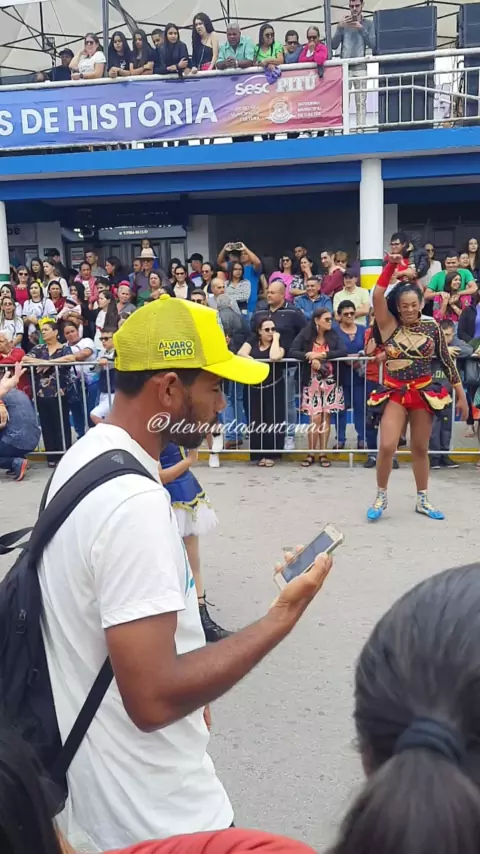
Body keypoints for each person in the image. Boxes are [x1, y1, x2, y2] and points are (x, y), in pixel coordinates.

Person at [37, 292, 333, 850]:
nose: (222, 405)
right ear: (170, 388)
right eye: (215, 387)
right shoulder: (134, 505)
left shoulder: (84, 458)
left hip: (99, 801)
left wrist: (194, 687)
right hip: (159, 817)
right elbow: (153, 698)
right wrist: (281, 617)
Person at [366, 257, 468, 522]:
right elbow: (377, 294)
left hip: (423, 393)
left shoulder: (432, 326)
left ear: (422, 303)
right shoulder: (388, 325)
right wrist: (390, 266)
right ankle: (381, 495)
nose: (410, 310)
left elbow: (446, 360)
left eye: (414, 305)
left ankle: (422, 498)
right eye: (404, 306)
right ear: (398, 307)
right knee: (387, 445)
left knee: (420, 448)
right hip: (395, 393)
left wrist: (461, 395)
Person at [159, 445, 231, 639]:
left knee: (193, 561)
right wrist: (190, 460)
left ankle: (201, 616)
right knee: (164, 563)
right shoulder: (151, 431)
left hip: (185, 490)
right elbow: (160, 476)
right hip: (163, 496)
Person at [290, 307, 346, 467]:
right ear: (316, 320)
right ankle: (311, 452)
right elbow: (292, 351)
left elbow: (342, 351)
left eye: (331, 319)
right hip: (312, 382)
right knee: (314, 418)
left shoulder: (333, 334)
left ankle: (323, 453)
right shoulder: (305, 335)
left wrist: (322, 355)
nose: (330, 322)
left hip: (330, 382)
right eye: (326, 319)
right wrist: (309, 358)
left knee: (326, 417)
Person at [23, 321, 72, 467]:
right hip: (41, 393)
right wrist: (44, 362)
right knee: (46, 424)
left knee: (61, 423)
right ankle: (51, 456)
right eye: (42, 330)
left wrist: (49, 363)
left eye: (46, 329)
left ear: (55, 332)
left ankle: (65, 455)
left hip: (59, 392)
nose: (43, 332)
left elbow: (70, 358)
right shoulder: (39, 348)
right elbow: (25, 358)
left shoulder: (64, 348)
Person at [238, 315, 286, 466]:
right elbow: (241, 353)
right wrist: (252, 361)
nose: (271, 332)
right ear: (259, 331)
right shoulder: (253, 341)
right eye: (267, 329)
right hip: (255, 387)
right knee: (256, 420)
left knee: (273, 419)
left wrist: (276, 339)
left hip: (274, 387)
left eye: (273, 329)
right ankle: (258, 454)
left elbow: (274, 356)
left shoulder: (279, 343)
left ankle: (271, 455)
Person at [428, 319, 472, 470]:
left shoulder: (456, 342)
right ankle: (434, 456)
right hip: (433, 389)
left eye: (448, 335)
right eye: (443, 335)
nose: (446, 338)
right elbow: (423, 351)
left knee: (446, 424)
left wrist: (450, 347)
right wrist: (444, 350)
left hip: (449, 389)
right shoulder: (432, 342)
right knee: (434, 425)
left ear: (453, 334)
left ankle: (444, 454)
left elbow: (468, 350)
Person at [331, 0, 376, 128]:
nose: (354, 9)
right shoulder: (344, 23)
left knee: (361, 101)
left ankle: (360, 131)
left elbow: (373, 45)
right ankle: (344, 131)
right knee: (343, 102)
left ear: (362, 5)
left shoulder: (368, 24)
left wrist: (361, 29)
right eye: (351, 6)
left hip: (360, 67)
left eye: (357, 6)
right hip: (345, 68)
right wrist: (339, 28)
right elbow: (333, 45)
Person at [334, 299, 366, 450]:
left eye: (352, 313)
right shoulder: (333, 331)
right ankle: (340, 439)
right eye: (346, 313)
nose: (349, 316)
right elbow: (331, 349)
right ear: (339, 315)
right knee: (340, 409)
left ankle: (362, 438)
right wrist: (344, 358)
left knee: (361, 408)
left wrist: (360, 358)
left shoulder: (363, 330)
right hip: (340, 375)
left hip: (360, 376)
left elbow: (369, 348)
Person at [0, 362, 39, 481]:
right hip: (33, 439)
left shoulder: (3, 397)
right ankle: (17, 460)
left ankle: (15, 462)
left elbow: (2, 423)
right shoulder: (19, 393)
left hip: (16, 440)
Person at [62, 321, 96, 439]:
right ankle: (81, 435)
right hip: (72, 383)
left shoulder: (87, 341)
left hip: (90, 382)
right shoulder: (63, 346)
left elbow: (84, 354)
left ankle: (93, 436)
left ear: (78, 331)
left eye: (72, 331)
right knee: (76, 410)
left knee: (91, 409)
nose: (70, 334)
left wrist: (67, 357)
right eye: (67, 333)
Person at [217, 243, 262, 314]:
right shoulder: (234, 267)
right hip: (232, 309)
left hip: (250, 307)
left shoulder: (253, 269)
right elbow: (220, 262)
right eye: (241, 254)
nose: (243, 255)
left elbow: (257, 262)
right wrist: (224, 249)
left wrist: (245, 248)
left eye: (245, 254)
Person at [90, 326, 116, 423]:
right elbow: (93, 368)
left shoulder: (119, 352)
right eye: (101, 339)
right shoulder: (102, 352)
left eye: (106, 338)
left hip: (115, 393)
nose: (103, 341)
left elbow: (113, 362)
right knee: (108, 419)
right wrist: (101, 362)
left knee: (95, 415)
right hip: (103, 392)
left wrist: (105, 361)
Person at [22, 282, 57, 346]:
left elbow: (54, 318)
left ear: (40, 289)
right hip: (32, 337)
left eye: (36, 288)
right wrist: (29, 319)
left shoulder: (47, 301)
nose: (33, 290)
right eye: (31, 288)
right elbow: (24, 322)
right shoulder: (26, 303)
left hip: (46, 336)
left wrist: (39, 320)